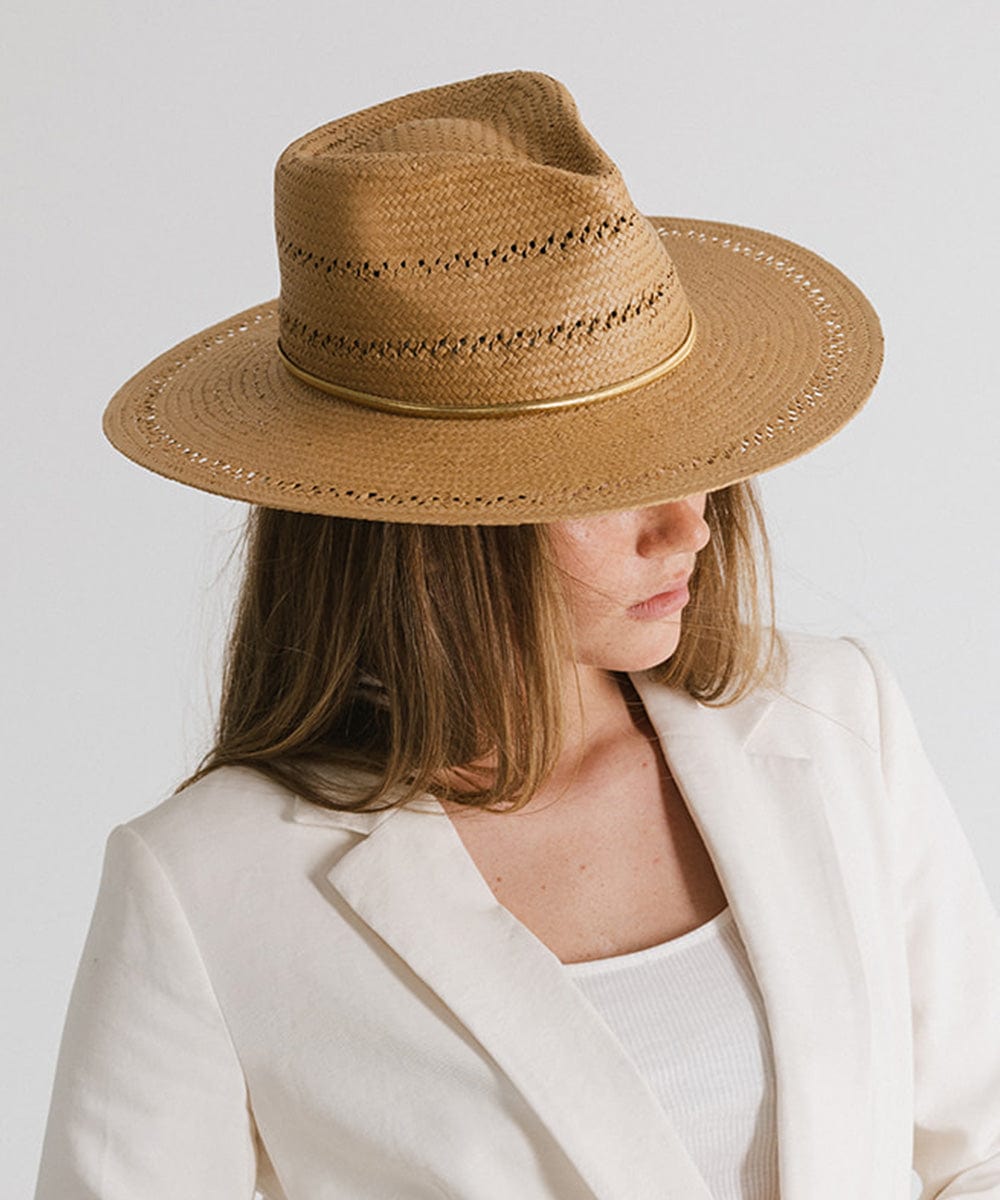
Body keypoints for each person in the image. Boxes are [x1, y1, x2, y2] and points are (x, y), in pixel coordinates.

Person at [34, 70, 1000, 1200]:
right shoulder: (208, 889)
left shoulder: (836, 724)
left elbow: (970, 1147)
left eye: (686, 452)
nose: (687, 524)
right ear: (425, 527)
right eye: (606, 477)